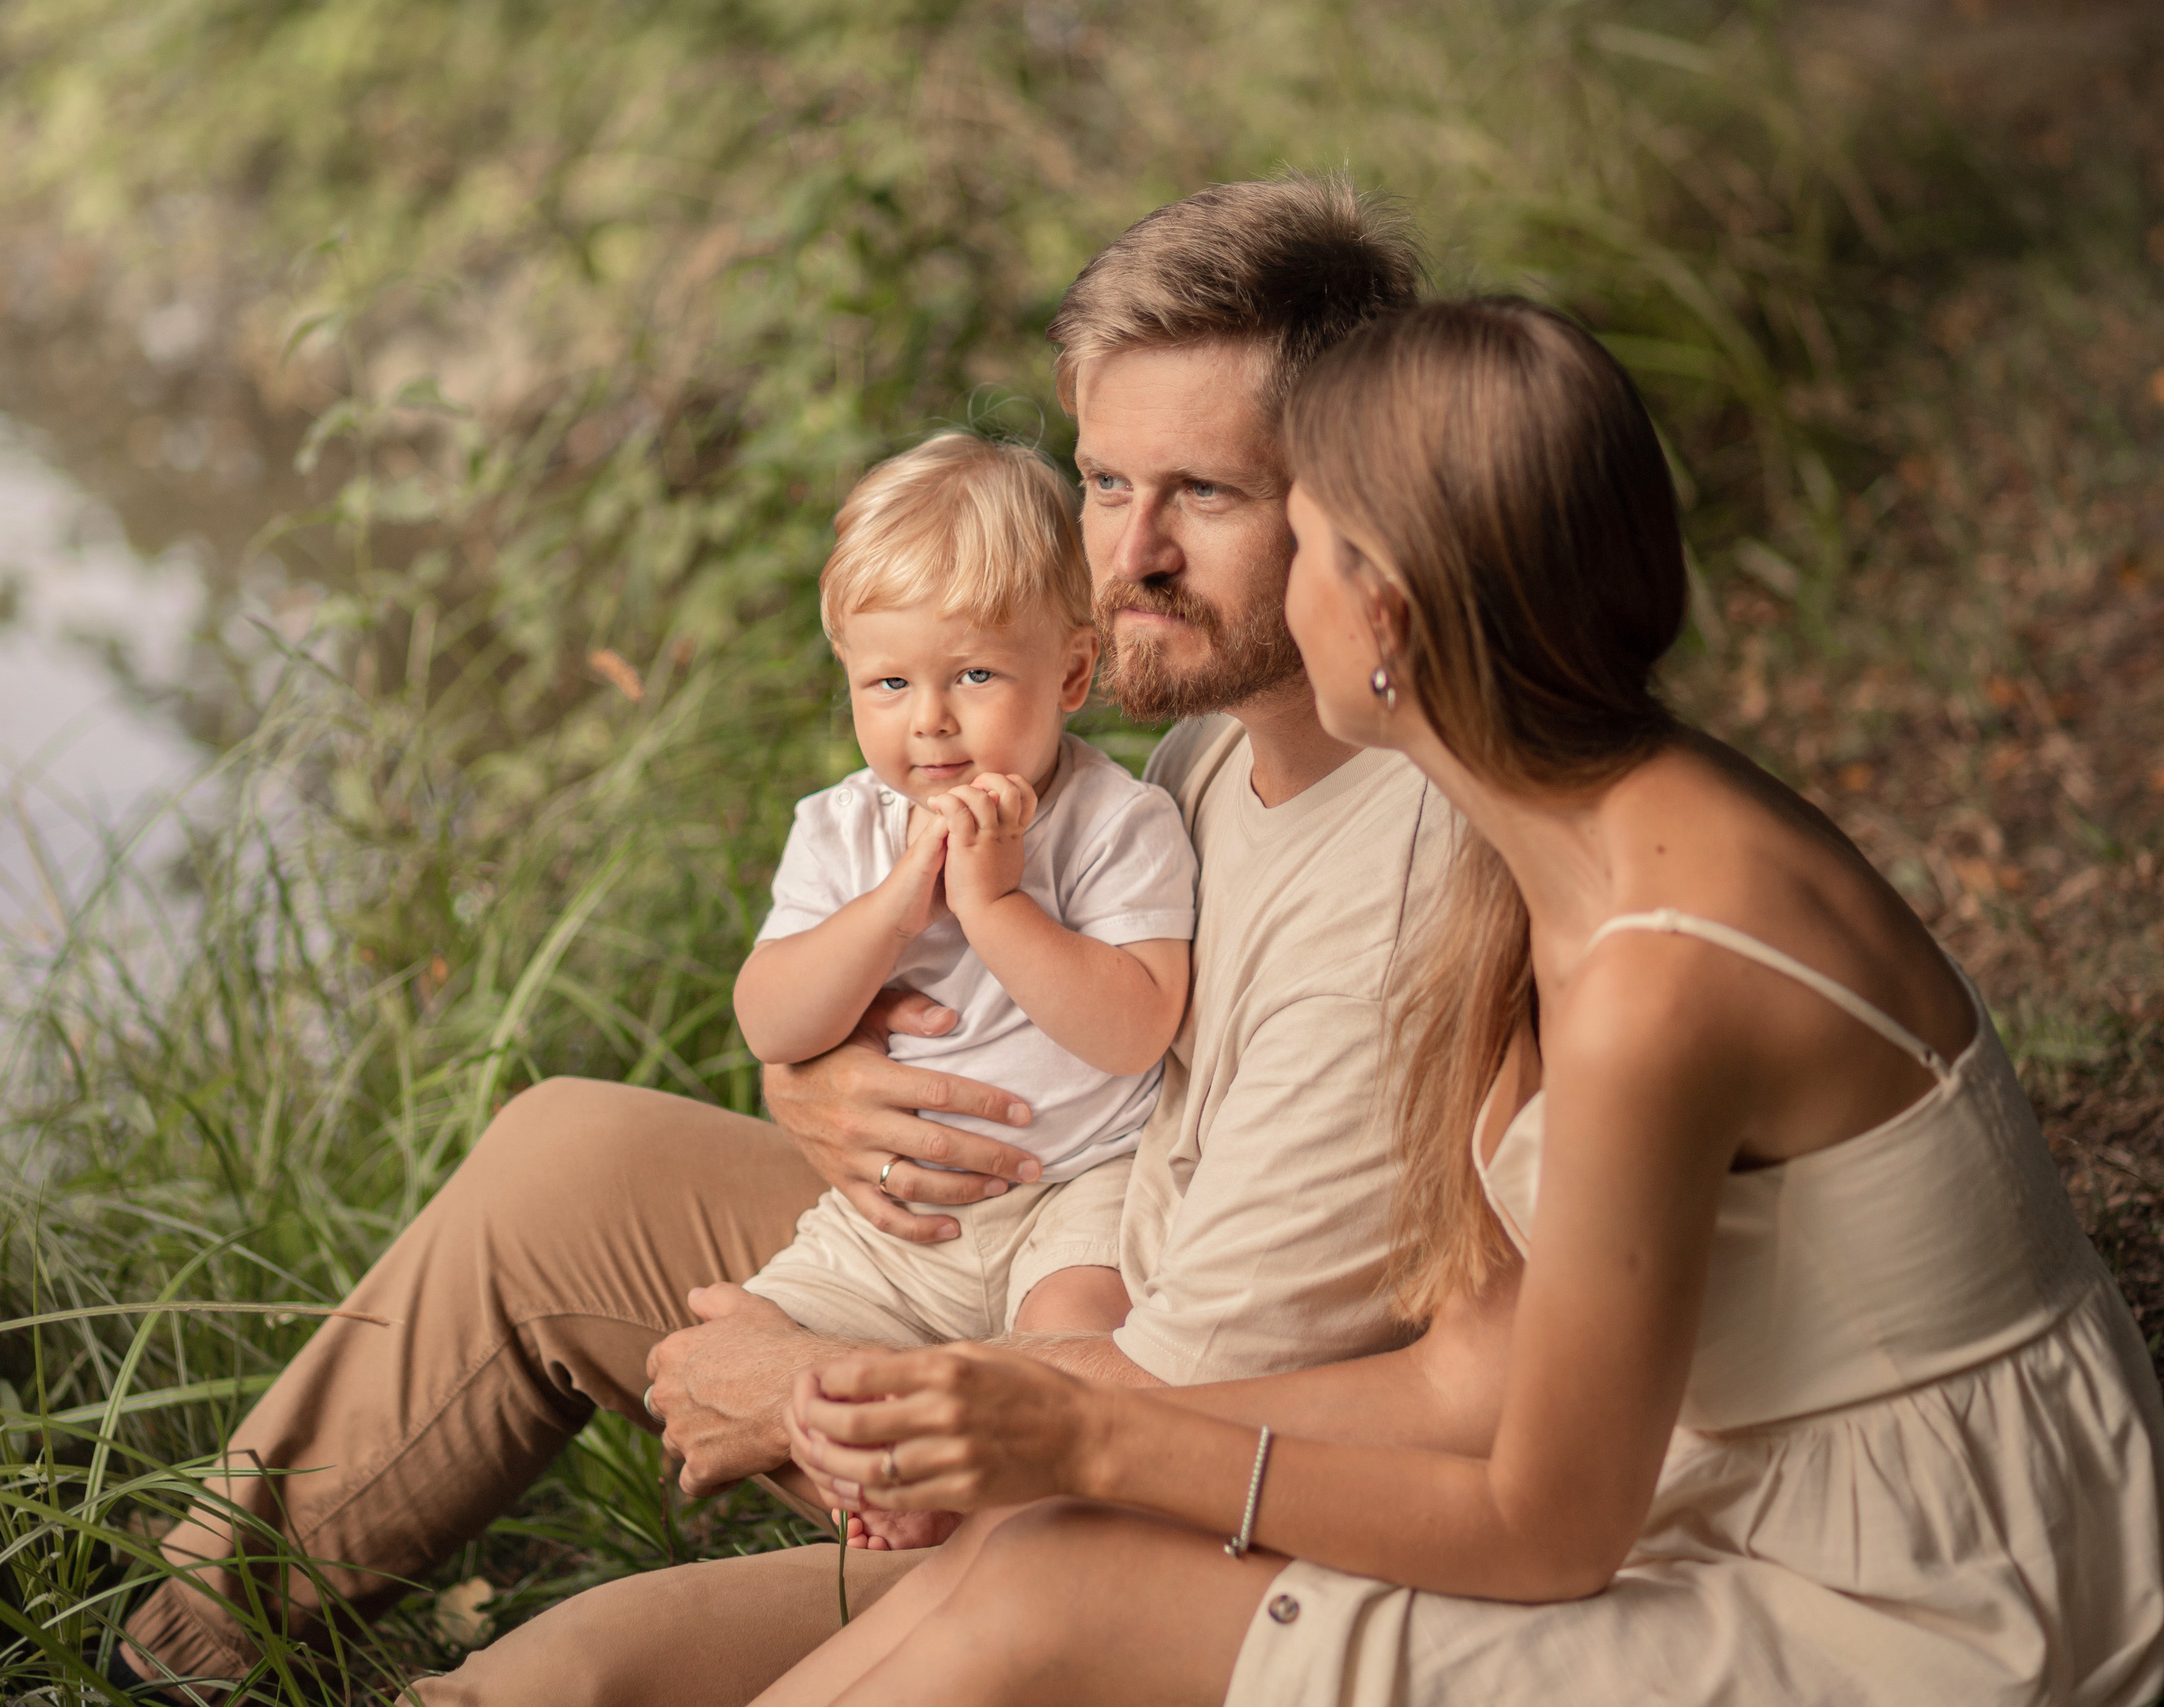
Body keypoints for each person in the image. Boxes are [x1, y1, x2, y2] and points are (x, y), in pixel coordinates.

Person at [111, 172, 1440, 1705]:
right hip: (986, 1240)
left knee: (557, 1681)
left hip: (1127, 1483)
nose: (1123, 553)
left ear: (1355, 503)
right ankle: (181, 1654)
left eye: (1203, 493)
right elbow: (969, 1002)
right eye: (1102, 480)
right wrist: (818, 1089)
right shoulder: (1212, 743)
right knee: (561, 1156)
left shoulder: (1392, 898)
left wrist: (800, 1389)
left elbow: (1180, 1428)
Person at [760, 298, 2164, 1707]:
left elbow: (1547, 1526)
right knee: (1036, 1560)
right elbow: (1464, 1375)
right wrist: (1074, 1409)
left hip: (1925, 1596)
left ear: (1386, 611)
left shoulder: (1651, 968)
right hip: (1754, 1480)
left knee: (1057, 1585)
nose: (1146, 561)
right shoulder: (1546, 830)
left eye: (1296, 534)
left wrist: (1092, 1440)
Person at [732, 430, 1198, 1551]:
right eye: (887, 684)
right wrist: (896, 905)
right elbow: (769, 1019)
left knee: (1079, 1340)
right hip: (899, 1222)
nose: (928, 719)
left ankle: (977, 1501)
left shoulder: (1117, 824)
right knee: (754, 1329)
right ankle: (885, 1476)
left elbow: (1136, 1027)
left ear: (1073, 676)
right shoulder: (843, 831)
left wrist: (995, 908)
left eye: (974, 676)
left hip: (1074, 1188)